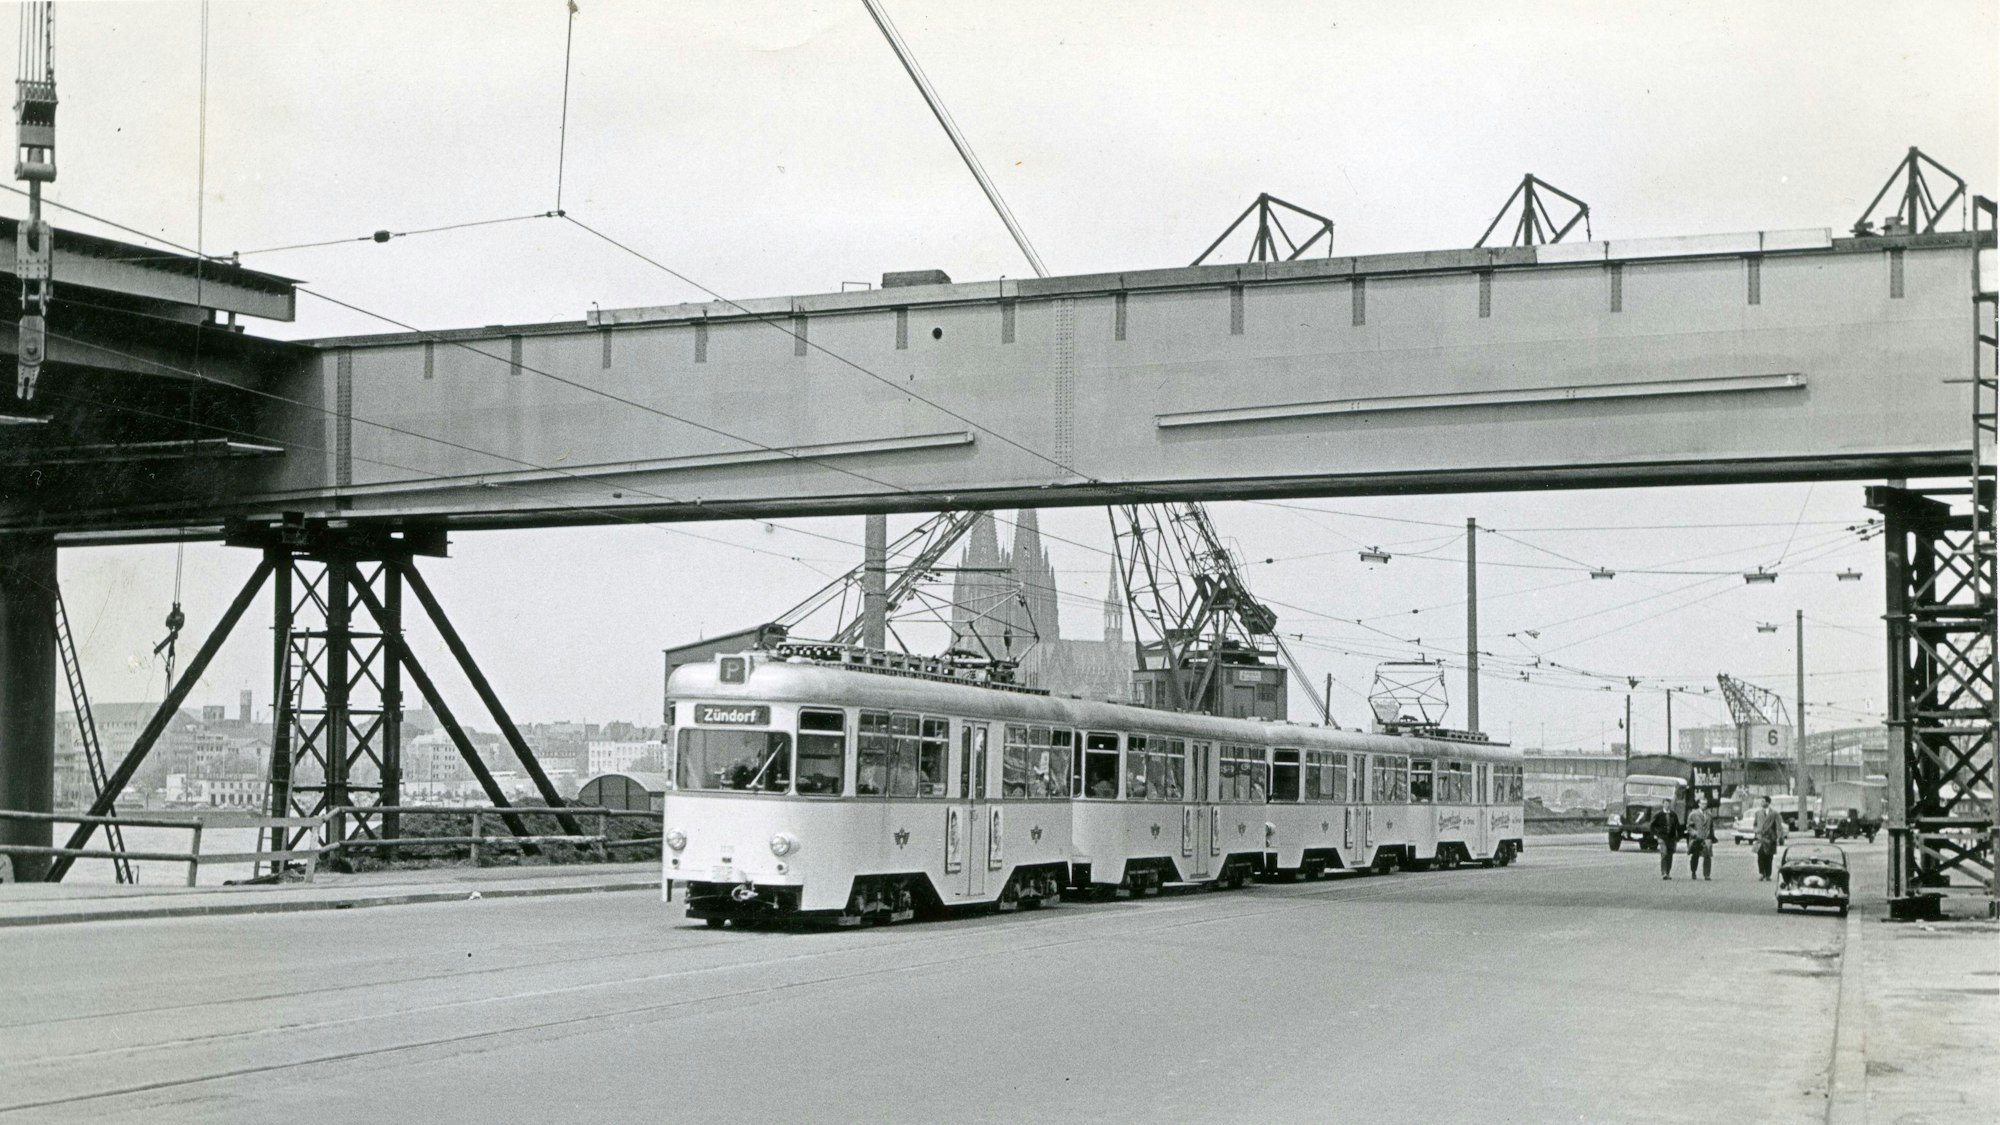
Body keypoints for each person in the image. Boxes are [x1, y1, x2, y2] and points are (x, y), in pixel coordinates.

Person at [1752, 794, 1787, 881]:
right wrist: (1756, 832)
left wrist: (1779, 837)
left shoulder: (1774, 813)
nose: (1761, 802)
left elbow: (1779, 826)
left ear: (1768, 802)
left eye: (1763, 801)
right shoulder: (1758, 813)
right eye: (1761, 801)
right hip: (1761, 838)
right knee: (1760, 856)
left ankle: (1768, 874)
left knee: (1769, 857)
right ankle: (1761, 873)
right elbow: (1755, 824)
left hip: (1770, 838)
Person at [1648, 801, 1681, 879]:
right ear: (1663, 804)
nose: (1667, 805)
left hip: (1671, 838)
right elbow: (1652, 826)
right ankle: (1664, 873)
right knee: (1664, 853)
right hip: (1662, 837)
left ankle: (1668, 872)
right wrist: (1655, 835)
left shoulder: (1673, 815)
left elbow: (1678, 826)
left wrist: (1678, 837)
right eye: (1666, 803)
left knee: (1670, 855)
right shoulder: (1659, 815)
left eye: (1669, 803)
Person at [1686, 797, 1716, 881]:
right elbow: (1689, 826)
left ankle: (1707, 874)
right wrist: (1694, 833)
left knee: (1707, 856)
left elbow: (1711, 826)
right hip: (1696, 839)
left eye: (1705, 804)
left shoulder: (1709, 814)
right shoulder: (1693, 814)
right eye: (1702, 803)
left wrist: (1711, 836)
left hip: (1706, 839)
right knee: (1695, 856)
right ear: (1699, 804)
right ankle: (1693, 871)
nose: (1704, 805)